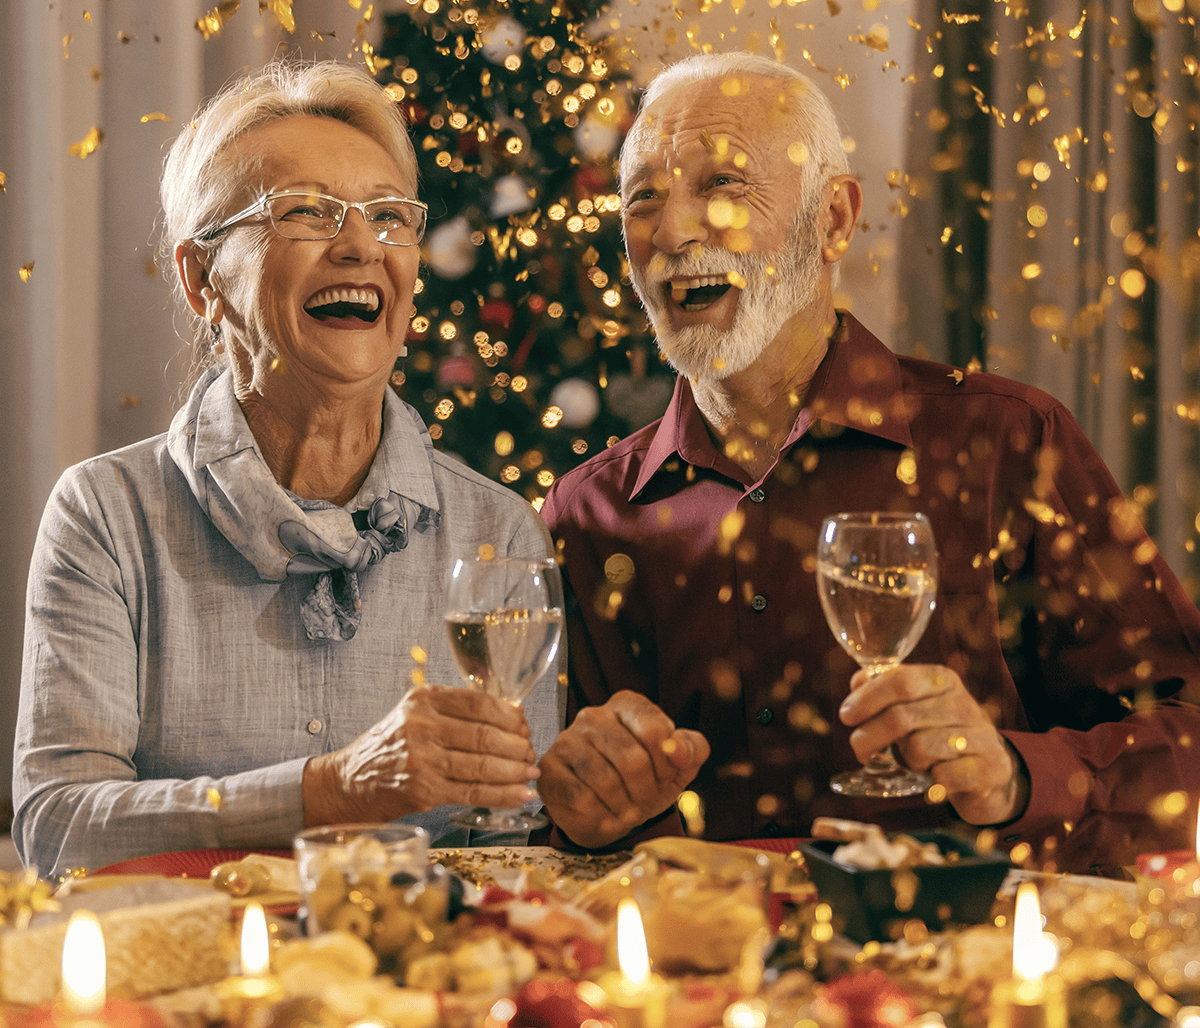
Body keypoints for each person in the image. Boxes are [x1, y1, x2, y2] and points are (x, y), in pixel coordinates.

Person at [535, 51, 1200, 872]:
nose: (672, 233)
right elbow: (548, 823)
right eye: (644, 200)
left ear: (835, 219)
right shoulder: (585, 515)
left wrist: (1019, 778)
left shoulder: (1008, 444)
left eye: (724, 186)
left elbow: (1186, 730)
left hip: (964, 974)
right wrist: (579, 812)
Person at [13, 59, 559, 876]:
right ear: (202, 280)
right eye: (304, 212)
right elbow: (60, 825)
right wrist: (328, 792)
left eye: (387, 216)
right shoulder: (105, 515)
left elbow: (516, 843)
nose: (359, 247)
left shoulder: (496, 530)